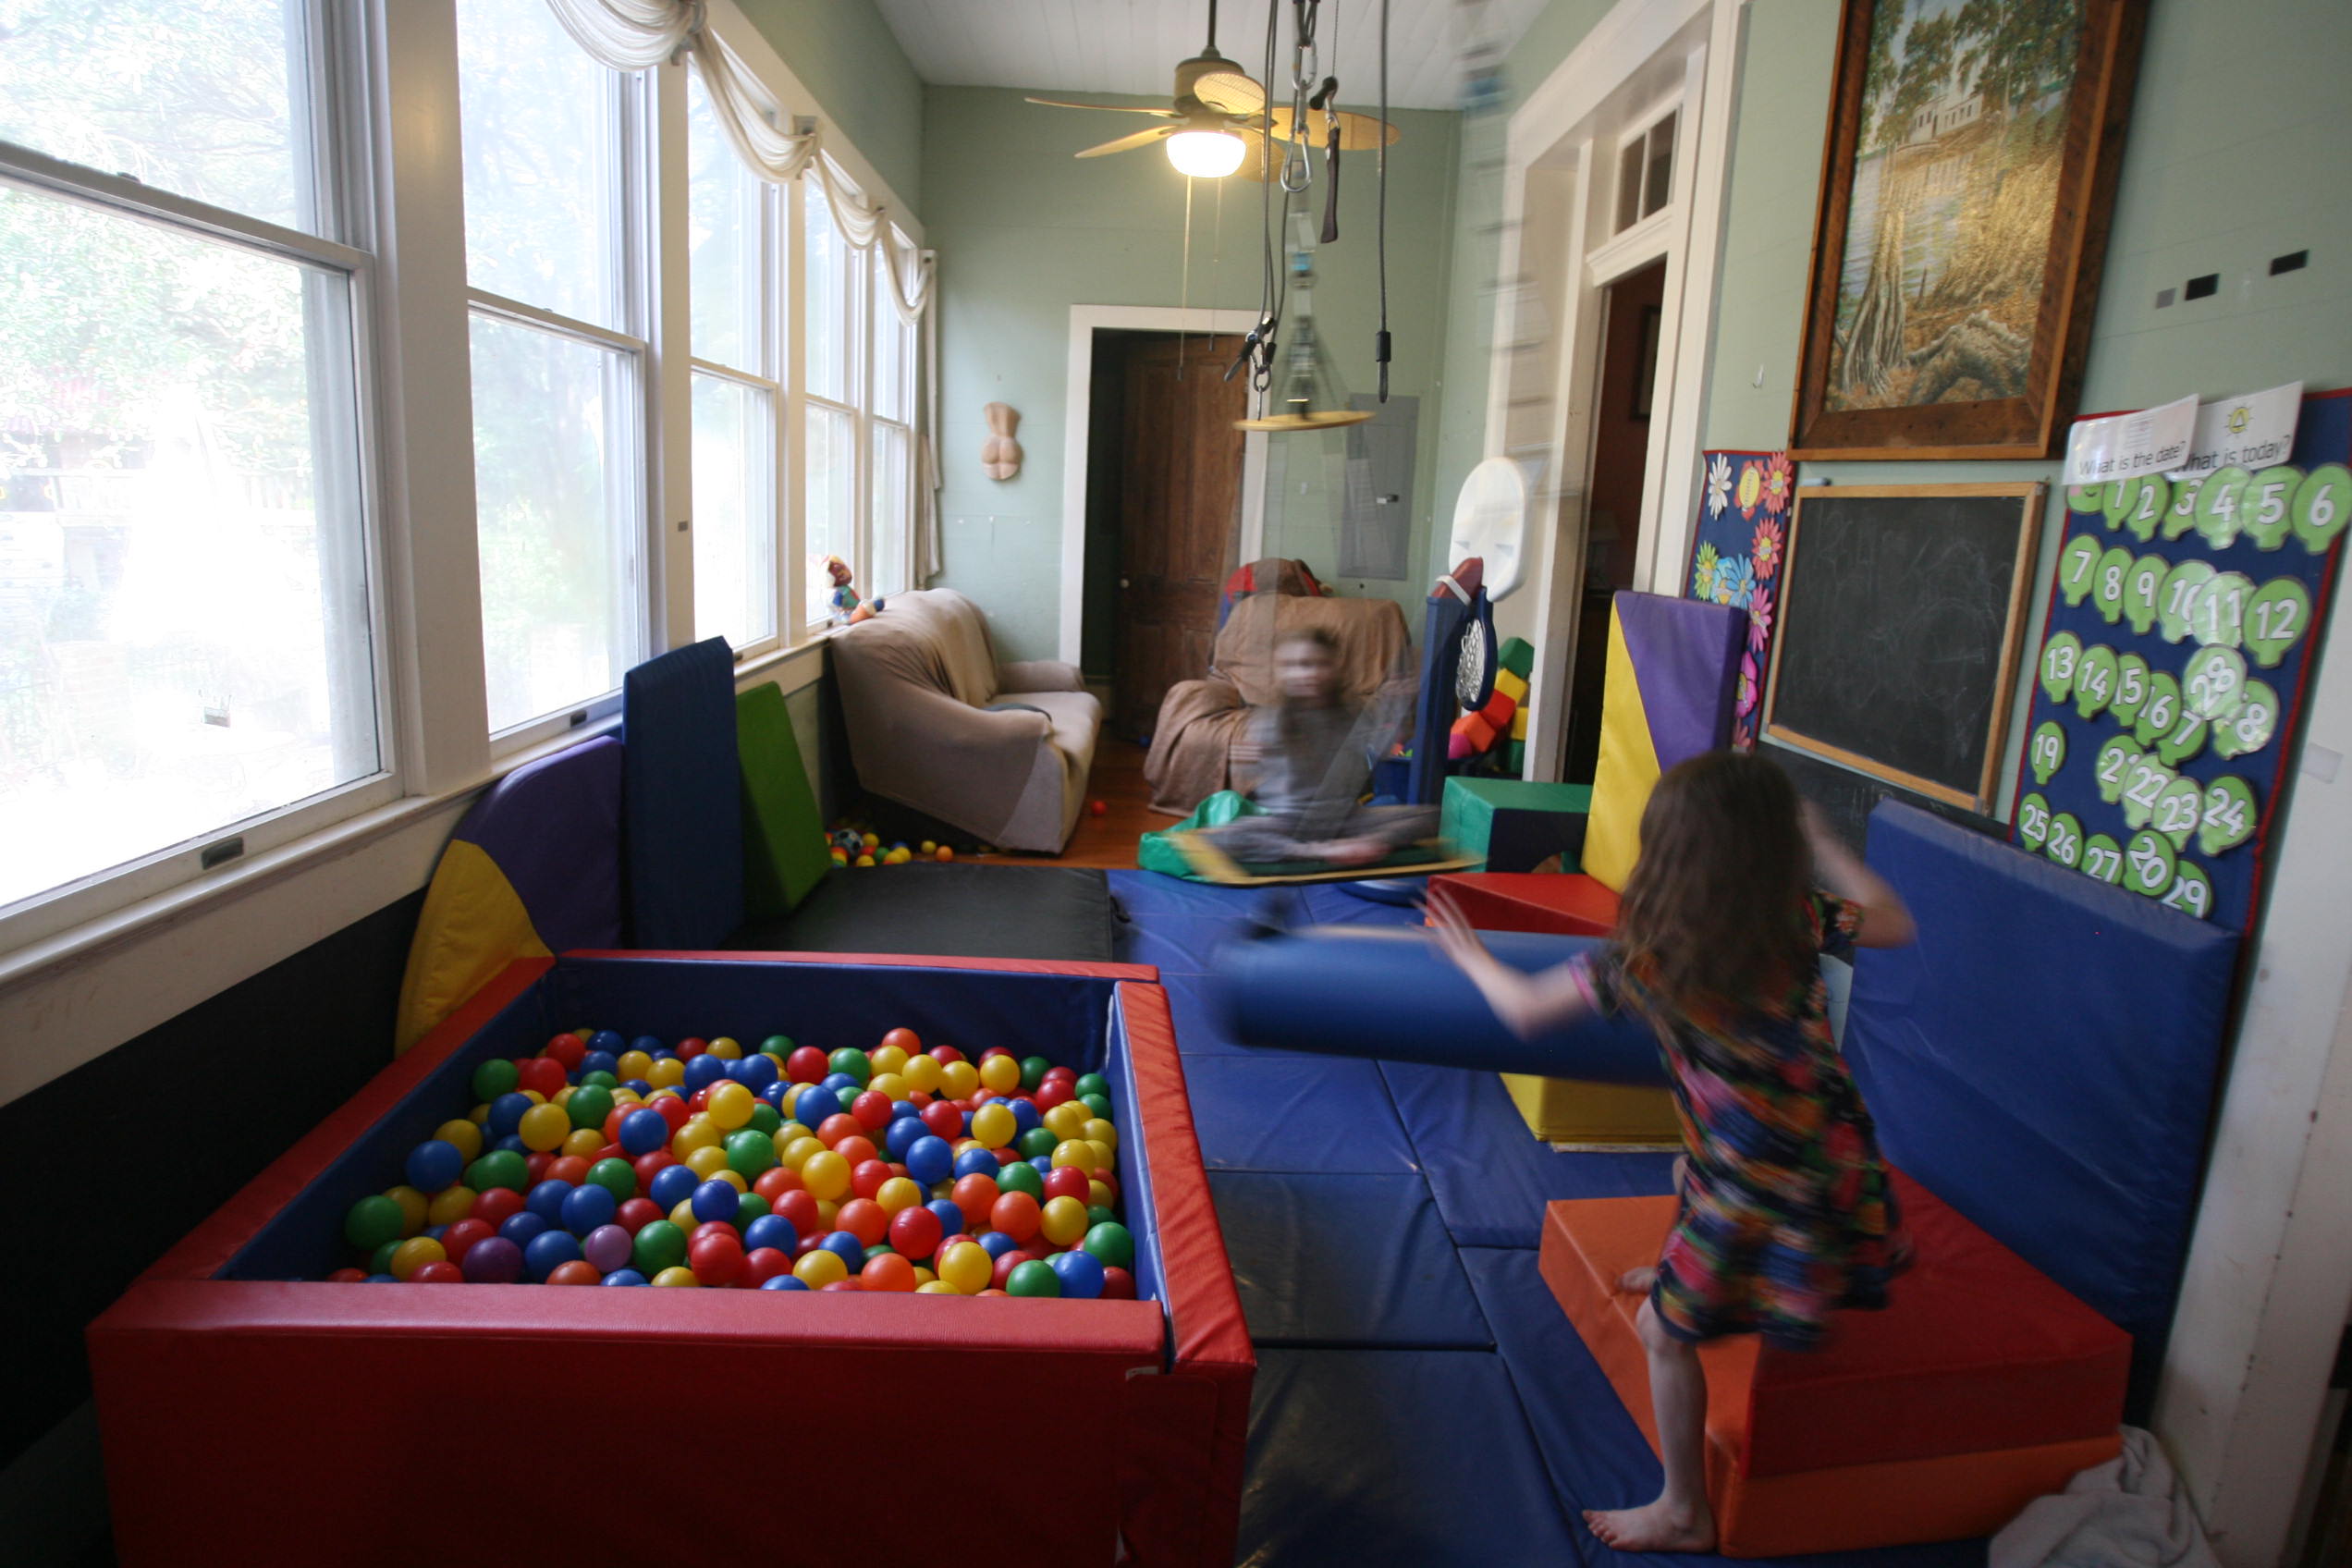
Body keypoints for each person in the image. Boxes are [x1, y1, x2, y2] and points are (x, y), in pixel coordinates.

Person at [1427, 751, 1916, 1552]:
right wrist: (1827, 843)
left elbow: (1524, 1013)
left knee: (1662, 1333)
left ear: (1666, 854)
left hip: (1757, 1180)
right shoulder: (1798, 915)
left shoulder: (1652, 956)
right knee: (1686, 1166)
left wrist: (1472, 958)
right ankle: (1683, 1268)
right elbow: (1896, 922)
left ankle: (1683, 1510)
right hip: (1828, 1152)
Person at [1196, 625, 1434, 868]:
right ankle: (1319, 851)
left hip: (1346, 820)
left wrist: (1398, 707)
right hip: (1290, 824)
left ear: (1335, 668)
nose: (1308, 674)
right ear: (1279, 672)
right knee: (1228, 837)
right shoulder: (1269, 720)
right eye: (1295, 665)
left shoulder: (1352, 713)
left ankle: (1366, 845)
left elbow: (1382, 750)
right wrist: (1243, 762)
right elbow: (1254, 775)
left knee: (1430, 816)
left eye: (1320, 664)